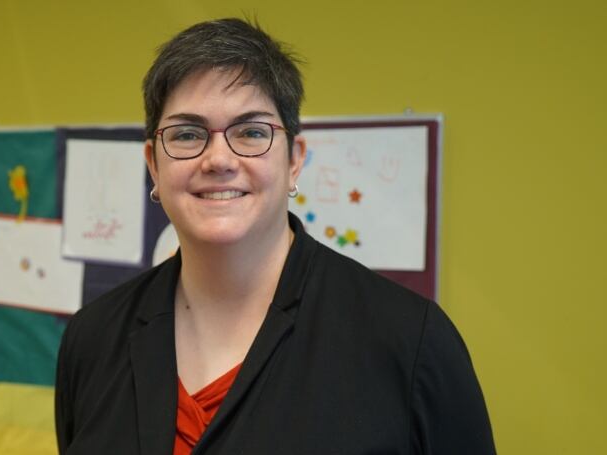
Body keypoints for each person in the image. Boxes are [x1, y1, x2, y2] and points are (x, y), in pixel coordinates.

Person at [55, 18, 496, 454]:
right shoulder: (92, 340)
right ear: (154, 164)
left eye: (251, 132)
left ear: (294, 160)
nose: (219, 159)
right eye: (188, 134)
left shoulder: (409, 342)